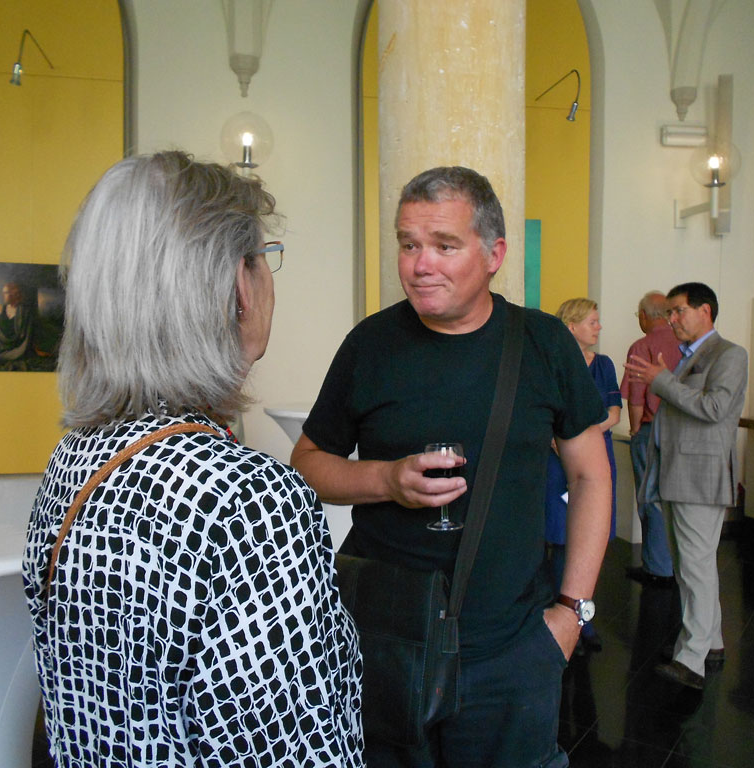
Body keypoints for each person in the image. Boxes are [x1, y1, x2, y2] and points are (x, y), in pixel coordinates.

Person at [22, 151, 363, 767]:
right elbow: (300, 749)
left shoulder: (73, 461)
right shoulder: (247, 502)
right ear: (237, 286)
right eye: (264, 257)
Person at [291, 166, 611, 767]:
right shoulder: (370, 344)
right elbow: (306, 464)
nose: (420, 265)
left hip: (512, 648)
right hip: (386, 641)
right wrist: (384, 479)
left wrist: (572, 613)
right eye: (408, 244)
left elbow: (591, 475)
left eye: (444, 245)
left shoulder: (543, 344)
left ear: (494, 255)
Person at [624, 282, 747, 691]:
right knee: (694, 566)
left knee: (694, 568)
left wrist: (661, 381)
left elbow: (714, 408)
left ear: (705, 311)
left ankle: (691, 660)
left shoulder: (729, 354)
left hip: (699, 478)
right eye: (669, 312)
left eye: (678, 311)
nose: (671, 319)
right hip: (678, 474)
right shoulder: (688, 357)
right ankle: (711, 643)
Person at [545, 298, 620, 653]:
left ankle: (582, 620)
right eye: (593, 321)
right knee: (560, 535)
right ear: (572, 326)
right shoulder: (551, 363)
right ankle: (558, 613)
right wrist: (566, 440)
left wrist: (576, 437)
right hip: (555, 461)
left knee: (591, 534)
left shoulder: (603, 365)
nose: (598, 327)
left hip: (595, 460)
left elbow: (614, 414)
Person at [618, 291, 682, 587]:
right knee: (676, 499)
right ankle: (678, 566)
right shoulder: (685, 343)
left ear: (644, 315)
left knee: (651, 498)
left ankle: (657, 567)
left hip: (652, 431)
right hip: (683, 433)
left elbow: (636, 398)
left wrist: (634, 430)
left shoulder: (642, 346)